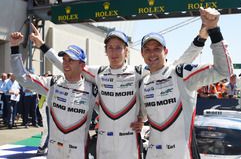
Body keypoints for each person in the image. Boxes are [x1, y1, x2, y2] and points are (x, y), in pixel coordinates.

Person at [29, 21, 209, 158]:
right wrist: (44, 47)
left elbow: (175, 66)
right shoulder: (98, 72)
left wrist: (200, 39)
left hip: (130, 144)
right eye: (110, 48)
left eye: (119, 48)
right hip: (104, 143)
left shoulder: (139, 71)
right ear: (106, 51)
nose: (114, 52)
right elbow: (68, 66)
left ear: (126, 51)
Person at [138, 7, 233, 159]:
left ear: (165, 51)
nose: (152, 53)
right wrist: (138, 122)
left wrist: (214, 30)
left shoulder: (180, 74)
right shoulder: (144, 83)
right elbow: (141, 116)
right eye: (147, 49)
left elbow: (224, 71)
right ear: (142, 54)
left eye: (157, 48)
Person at [9, 32, 97, 159]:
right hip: (54, 152)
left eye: (71, 60)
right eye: (64, 60)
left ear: (82, 65)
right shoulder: (53, 83)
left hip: (79, 153)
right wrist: (14, 47)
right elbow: (23, 78)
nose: (66, 64)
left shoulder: (93, 90)